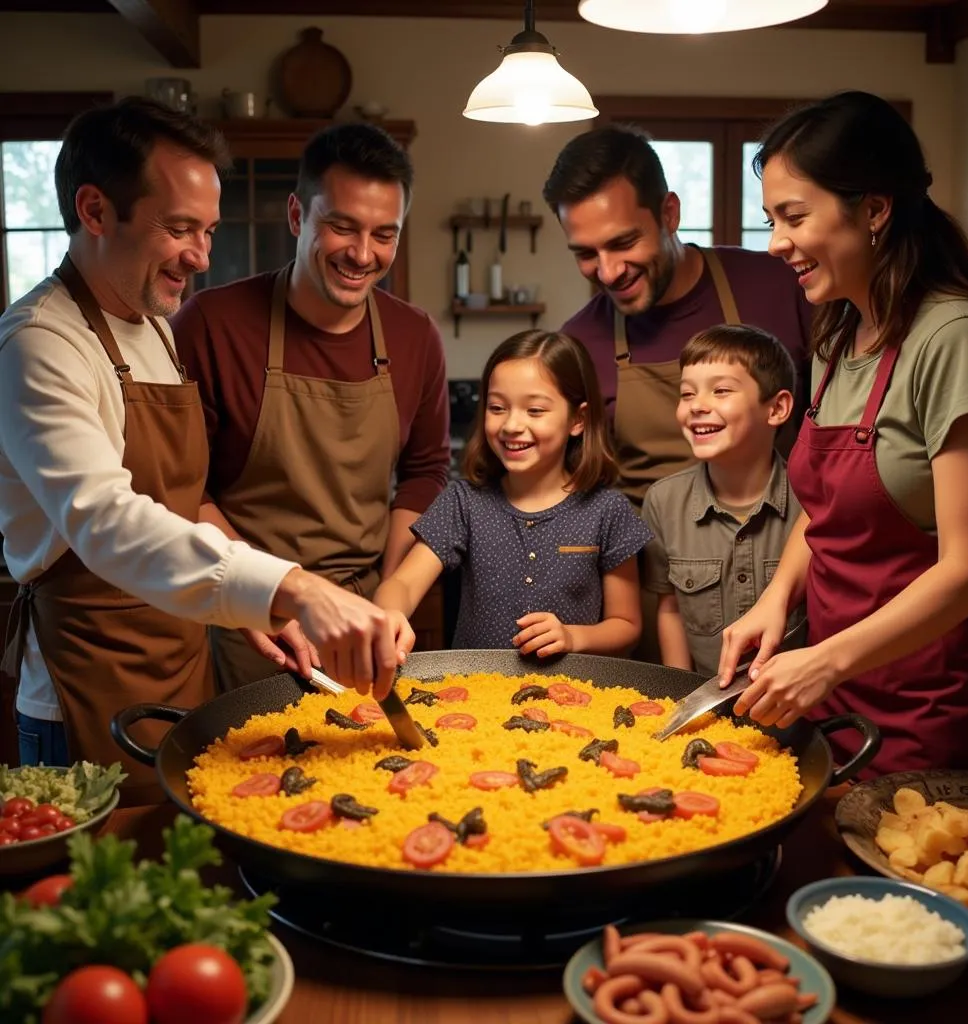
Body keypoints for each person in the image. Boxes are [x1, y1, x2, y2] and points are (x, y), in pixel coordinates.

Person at [0, 98, 404, 795]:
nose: (202, 255)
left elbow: (183, 501)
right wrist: (295, 588)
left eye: (209, 230)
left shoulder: (154, 322)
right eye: (180, 228)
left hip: (183, 667)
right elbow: (106, 519)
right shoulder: (40, 343)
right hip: (85, 684)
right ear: (95, 211)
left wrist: (258, 609)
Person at [718, 91, 968, 776]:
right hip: (837, 691)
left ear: (875, 210)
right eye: (771, 219)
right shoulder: (839, 334)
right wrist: (776, 600)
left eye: (794, 216)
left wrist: (824, 661)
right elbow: (829, 512)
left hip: (936, 703)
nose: (776, 243)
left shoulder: (955, 338)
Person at [172, 122, 448, 692]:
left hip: (366, 611)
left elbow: (424, 474)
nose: (362, 254)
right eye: (341, 227)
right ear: (298, 216)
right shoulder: (209, 325)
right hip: (254, 617)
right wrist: (266, 592)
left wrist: (389, 596)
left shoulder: (415, 335)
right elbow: (183, 488)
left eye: (384, 235)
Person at [542, 124, 813, 508]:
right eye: (586, 254)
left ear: (669, 214)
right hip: (649, 564)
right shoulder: (578, 343)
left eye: (624, 243)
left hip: (785, 553)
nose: (608, 272)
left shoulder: (781, 285)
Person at [375, 330, 651, 657]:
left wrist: (573, 638)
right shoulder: (463, 502)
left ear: (578, 419)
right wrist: (389, 614)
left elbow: (626, 624)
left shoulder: (608, 510)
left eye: (534, 411)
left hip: (573, 698)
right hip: (472, 696)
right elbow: (403, 584)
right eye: (497, 407)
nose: (511, 425)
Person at [642, 324, 804, 676]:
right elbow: (670, 607)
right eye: (686, 394)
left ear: (776, 409)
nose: (697, 406)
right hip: (707, 708)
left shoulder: (810, 500)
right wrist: (680, 690)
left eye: (721, 391)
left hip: (800, 707)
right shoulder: (663, 502)